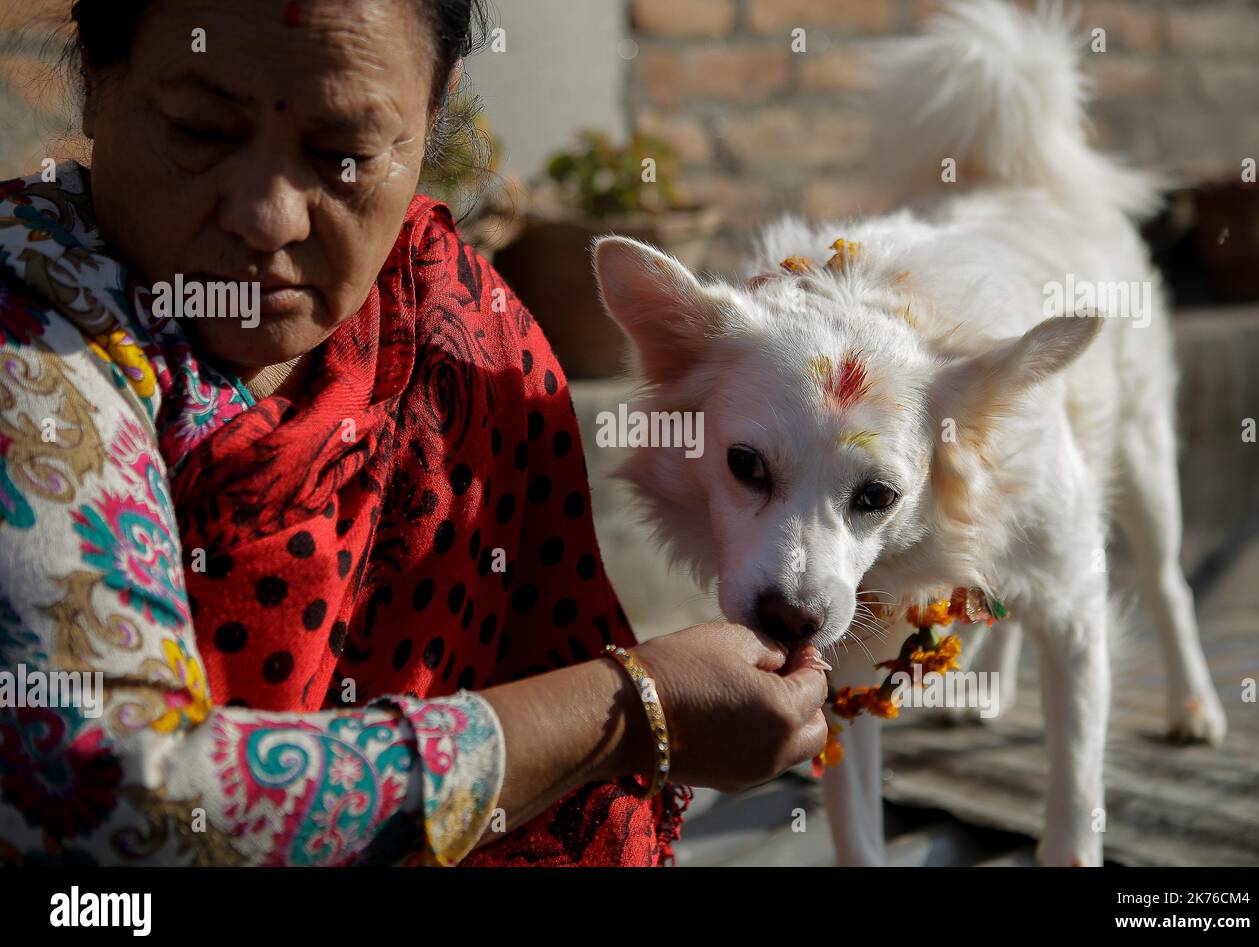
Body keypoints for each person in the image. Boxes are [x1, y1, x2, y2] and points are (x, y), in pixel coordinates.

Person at [0, 0, 828, 866]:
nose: (268, 216)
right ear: (98, 85)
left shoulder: (455, 329)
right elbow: (116, 803)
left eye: (344, 155)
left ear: (434, 118)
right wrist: (632, 710)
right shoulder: (33, 339)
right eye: (200, 129)